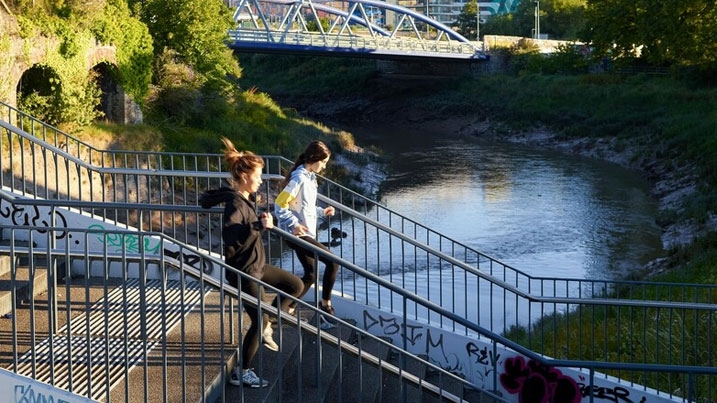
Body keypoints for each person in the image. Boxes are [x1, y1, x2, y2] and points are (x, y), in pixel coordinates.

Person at [200, 137, 304, 388]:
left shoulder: (242, 198)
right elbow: (231, 235)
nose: (260, 180)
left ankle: (268, 322)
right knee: (258, 322)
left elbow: (245, 226)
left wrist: (262, 222)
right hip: (245, 272)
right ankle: (242, 372)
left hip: (256, 267)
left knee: (296, 286)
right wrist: (260, 225)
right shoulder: (236, 202)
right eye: (258, 175)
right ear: (245, 175)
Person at [274, 140, 340, 326]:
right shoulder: (299, 179)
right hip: (297, 234)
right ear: (314, 159)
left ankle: (281, 308)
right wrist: (293, 224)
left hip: (305, 233)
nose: (325, 166)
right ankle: (326, 305)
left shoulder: (310, 177)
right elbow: (280, 204)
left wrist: (321, 212)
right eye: (324, 162)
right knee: (333, 262)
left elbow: (304, 206)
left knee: (311, 275)